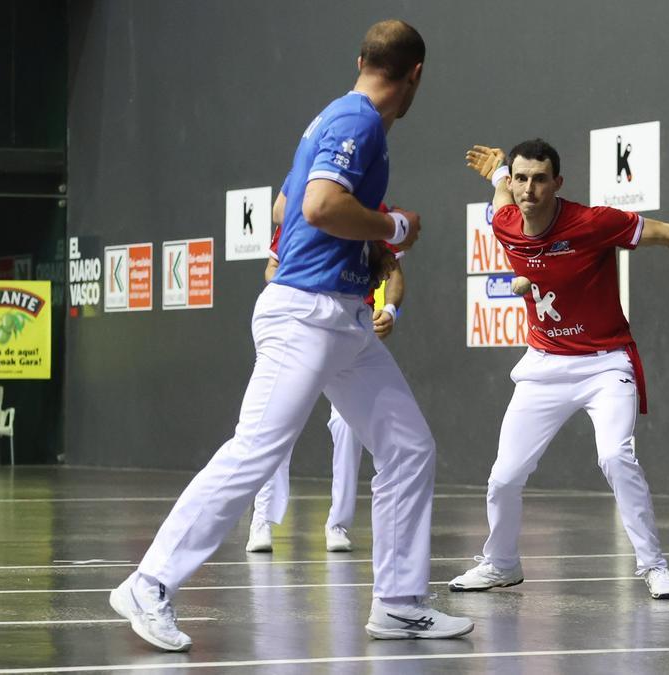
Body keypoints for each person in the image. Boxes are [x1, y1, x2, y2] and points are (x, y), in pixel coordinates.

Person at [110, 20, 473, 652]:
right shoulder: (357, 123)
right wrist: (391, 227)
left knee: (410, 448)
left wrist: (364, 243)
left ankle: (399, 603)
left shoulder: (332, 120)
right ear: (416, 75)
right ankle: (149, 582)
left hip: (346, 320)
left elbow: (285, 206)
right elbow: (317, 208)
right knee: (254, 451)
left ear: (362, 59)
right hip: (305, 314)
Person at [448, 140, 669, 600]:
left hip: (605, 364)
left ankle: (654, 566)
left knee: (615, 457)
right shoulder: (504, 221)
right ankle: (501, 563)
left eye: (540, 179)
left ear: (557, 183)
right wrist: (499, 173)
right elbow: (502, 197)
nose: (529, 189)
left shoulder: (593, 222)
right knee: (503, 477)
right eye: (522, 178)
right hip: (544, 365)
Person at [247, 198, 405, 554]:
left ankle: (339, 524)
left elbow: (394, 272)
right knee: (277, 422)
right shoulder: (310, 204)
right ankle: (262, 520)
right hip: (301, 326)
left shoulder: (379, 212)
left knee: (350, 426)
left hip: (352, 330)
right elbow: (272, 269)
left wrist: (391, 309)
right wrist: (307, 283)